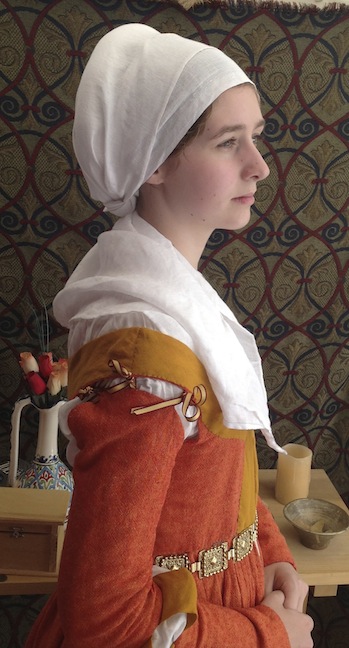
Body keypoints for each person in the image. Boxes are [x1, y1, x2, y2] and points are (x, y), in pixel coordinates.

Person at [25, 23, 314, 648]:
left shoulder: (183, 304)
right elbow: (106, 622)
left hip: (228, 600)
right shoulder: (144, 346)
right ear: (154, 160)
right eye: (227, 142)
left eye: (256, 138)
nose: (260, 166)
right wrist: (271, 636)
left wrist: (267, 548)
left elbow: (206, 484)